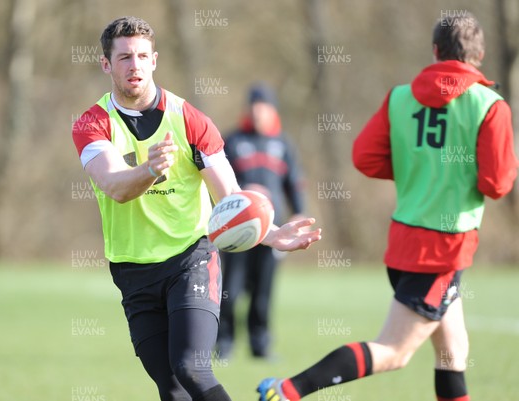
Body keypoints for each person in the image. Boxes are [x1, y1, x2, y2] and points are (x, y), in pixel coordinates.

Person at [258, 12, 517, 401]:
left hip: (402, 242)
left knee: (452, 350)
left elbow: (365, 157)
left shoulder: (401, 96)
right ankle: (286, 391)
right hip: (443, 250)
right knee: (394, 351)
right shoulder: (489, 105)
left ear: (434, 51)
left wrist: (419, 170)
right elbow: (497, 184)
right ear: (478, 55)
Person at [71, 16, 321, 401]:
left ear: (155, 60)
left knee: (191, 367)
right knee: (170, 389)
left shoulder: (189, 120)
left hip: (191, 259)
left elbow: (231, 196)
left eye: (141, 56)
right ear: (106, 65)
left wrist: (271, 234)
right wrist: (150, 170)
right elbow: (114, 186)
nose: (134, 65)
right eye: (123, 58)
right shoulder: (92, 123)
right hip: (132, 269)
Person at [216, 83, 306, 359]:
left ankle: (260, 343)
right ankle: (224, 342)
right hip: (238, 230)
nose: (258, 113)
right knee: (230, 287)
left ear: (271, 110)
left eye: (263, 107)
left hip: (272, 231)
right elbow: (218, 180)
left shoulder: (283, 143)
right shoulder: (232, 140)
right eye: (254, 107)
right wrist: (248, 189)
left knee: (264, 289)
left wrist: (299, 211)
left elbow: (294, 183)